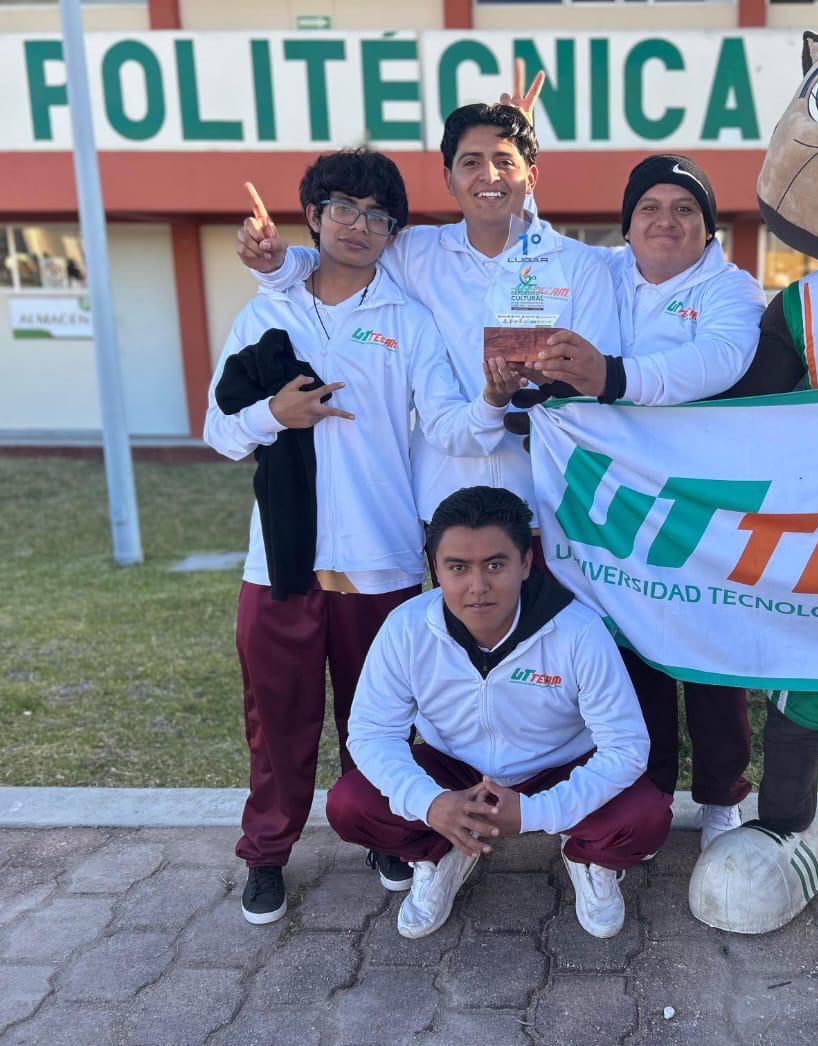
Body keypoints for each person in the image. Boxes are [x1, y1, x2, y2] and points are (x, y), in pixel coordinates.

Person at [205, 149, 524, 925]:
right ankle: (266, 853)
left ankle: (385, 834)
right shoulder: (267, 312)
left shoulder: (406, 321)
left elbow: (448, 423)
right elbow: (219, 431)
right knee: (276, 722)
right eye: (344, 208)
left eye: (378, 216)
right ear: (313, 216)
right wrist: (275, 415)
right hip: (279, 563)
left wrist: (491, 400)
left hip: (382, 562)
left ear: (392, 232)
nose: (360, 226)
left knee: (379, 720)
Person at [515, 153, 766, 848]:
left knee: (708, 653)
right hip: (614, 501)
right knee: (630, 649)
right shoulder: (599, 272)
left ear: (709, 227)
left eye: (685, 209)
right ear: (626, 225)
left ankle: (721, 798)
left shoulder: (733, 290)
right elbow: (529, 249)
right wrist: (519, 174)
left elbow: (716, 362)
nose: (666, 221)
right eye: (649, 208)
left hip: (699, 503)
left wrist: (613, 375)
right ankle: (646, 792)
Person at [235, 103, 621, 553]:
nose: (489, 176)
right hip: (445, 501)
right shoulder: (414, 252)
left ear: (531, 177)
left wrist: (550, 394)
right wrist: (279, 265)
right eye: (471, 162)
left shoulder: (579, 266)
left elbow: (598, 384)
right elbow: (341, 259)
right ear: (448, 179)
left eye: (504, 162)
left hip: (554, 502)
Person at [326, 485, 672, 939]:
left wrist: (536, 812)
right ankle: (439, 851)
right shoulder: (406, 628)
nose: (477, 586)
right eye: (458, 567)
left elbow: (625, 747)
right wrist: (430, 803)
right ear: (435, 568)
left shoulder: (579, 631)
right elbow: (372, 732)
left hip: (557, 768)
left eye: (495, 565)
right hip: (455, 768)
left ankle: (587, 858)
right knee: (350, 805)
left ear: (525, 563)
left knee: (646, 817)